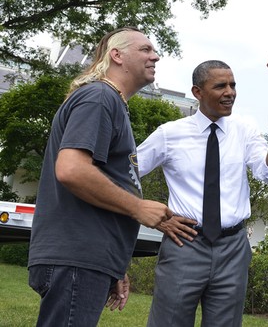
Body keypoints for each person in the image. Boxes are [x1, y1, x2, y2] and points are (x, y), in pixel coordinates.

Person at [137, 60, 268, 327]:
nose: (230, 92)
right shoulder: (170, 134)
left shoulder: (244, 131)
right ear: (198, 92)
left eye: (233, 85)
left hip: (232, 249)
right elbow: (126, 172)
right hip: (185, 244)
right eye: (220, 86)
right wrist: (152, 216)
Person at [28, 27, 173, 326]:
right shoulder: (99, 97)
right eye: (145, 49)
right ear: (117, 55)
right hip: (76, 257)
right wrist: (138, 207)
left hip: (88, 257)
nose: (155, 56)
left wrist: (112, 263)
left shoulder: (109, 101)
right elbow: (72, 169)